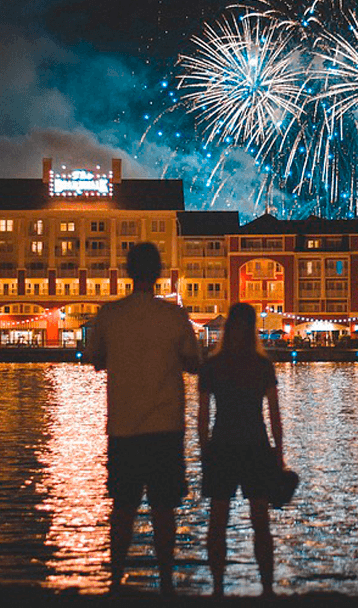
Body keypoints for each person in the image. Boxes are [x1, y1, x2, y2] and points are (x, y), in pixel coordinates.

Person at [87, 242, 201, 596]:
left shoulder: (109, 315)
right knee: (165, 509)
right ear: (159, 274)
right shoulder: (174, 317)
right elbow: (194, 362)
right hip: (166, 426)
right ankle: (166, 583)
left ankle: (116, 581)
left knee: (122, 507)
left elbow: (94, 359)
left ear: (126, 272)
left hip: (124, 427)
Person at [197, 302, 284, 598]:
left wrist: (205, 449)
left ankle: (219, 588)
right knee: (261, 522)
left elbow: (203, 414)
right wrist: (279, 452)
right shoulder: (262, 366)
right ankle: (268, 588)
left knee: (217, 522)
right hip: (256, 445)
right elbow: (274, 413)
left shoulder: (212, 365)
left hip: (221, 445)